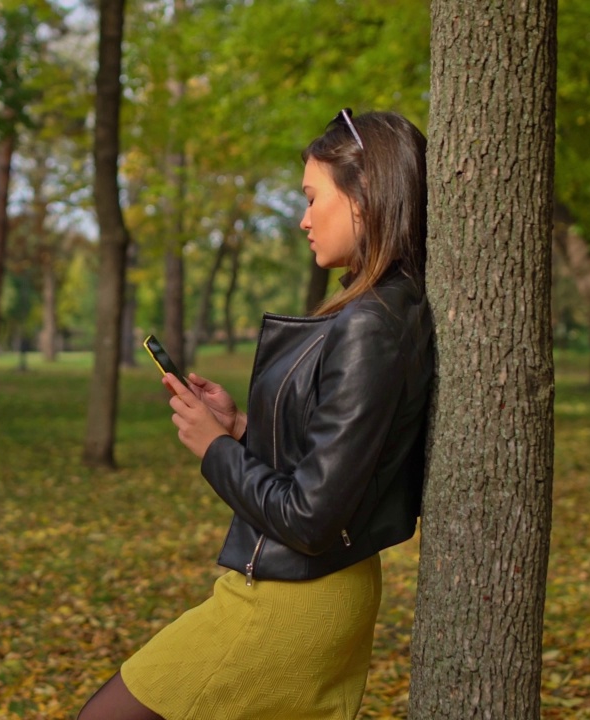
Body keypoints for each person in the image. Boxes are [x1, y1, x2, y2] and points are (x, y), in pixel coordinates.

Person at [78, 109, 434, 720]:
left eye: (311, 197)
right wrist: (240, 428)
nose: (302, 219)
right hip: (294, 584)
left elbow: (311, 516)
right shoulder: (377, 311)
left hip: (295, 596)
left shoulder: (371, 323)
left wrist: (214, 449)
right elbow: (340, 457)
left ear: (365, 196)